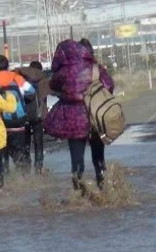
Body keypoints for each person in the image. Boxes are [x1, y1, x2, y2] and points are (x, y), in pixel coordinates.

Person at [45, 40, 115, 191]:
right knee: (98, 157)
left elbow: (53, 84)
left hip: (73, 121)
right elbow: (109, 86)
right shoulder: (96, 68)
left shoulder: (66, 70)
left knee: (76, 160)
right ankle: (103, 187)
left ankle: (78, 193)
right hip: (95, 117)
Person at [0, 55, 36, 174]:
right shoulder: (16, 78)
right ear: (7, 66)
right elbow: (31, 91)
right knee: (20, 154)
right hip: (17, 122)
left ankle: (5, 178)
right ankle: (25, 178)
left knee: (1, 155)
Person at [15, 61, 51, 174]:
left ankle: (26, 166)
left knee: (25, 141)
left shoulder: (22, 80)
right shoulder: (45, 80)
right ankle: (39, 166)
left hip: (24, 114)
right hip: (39, 115)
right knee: (38, 141)